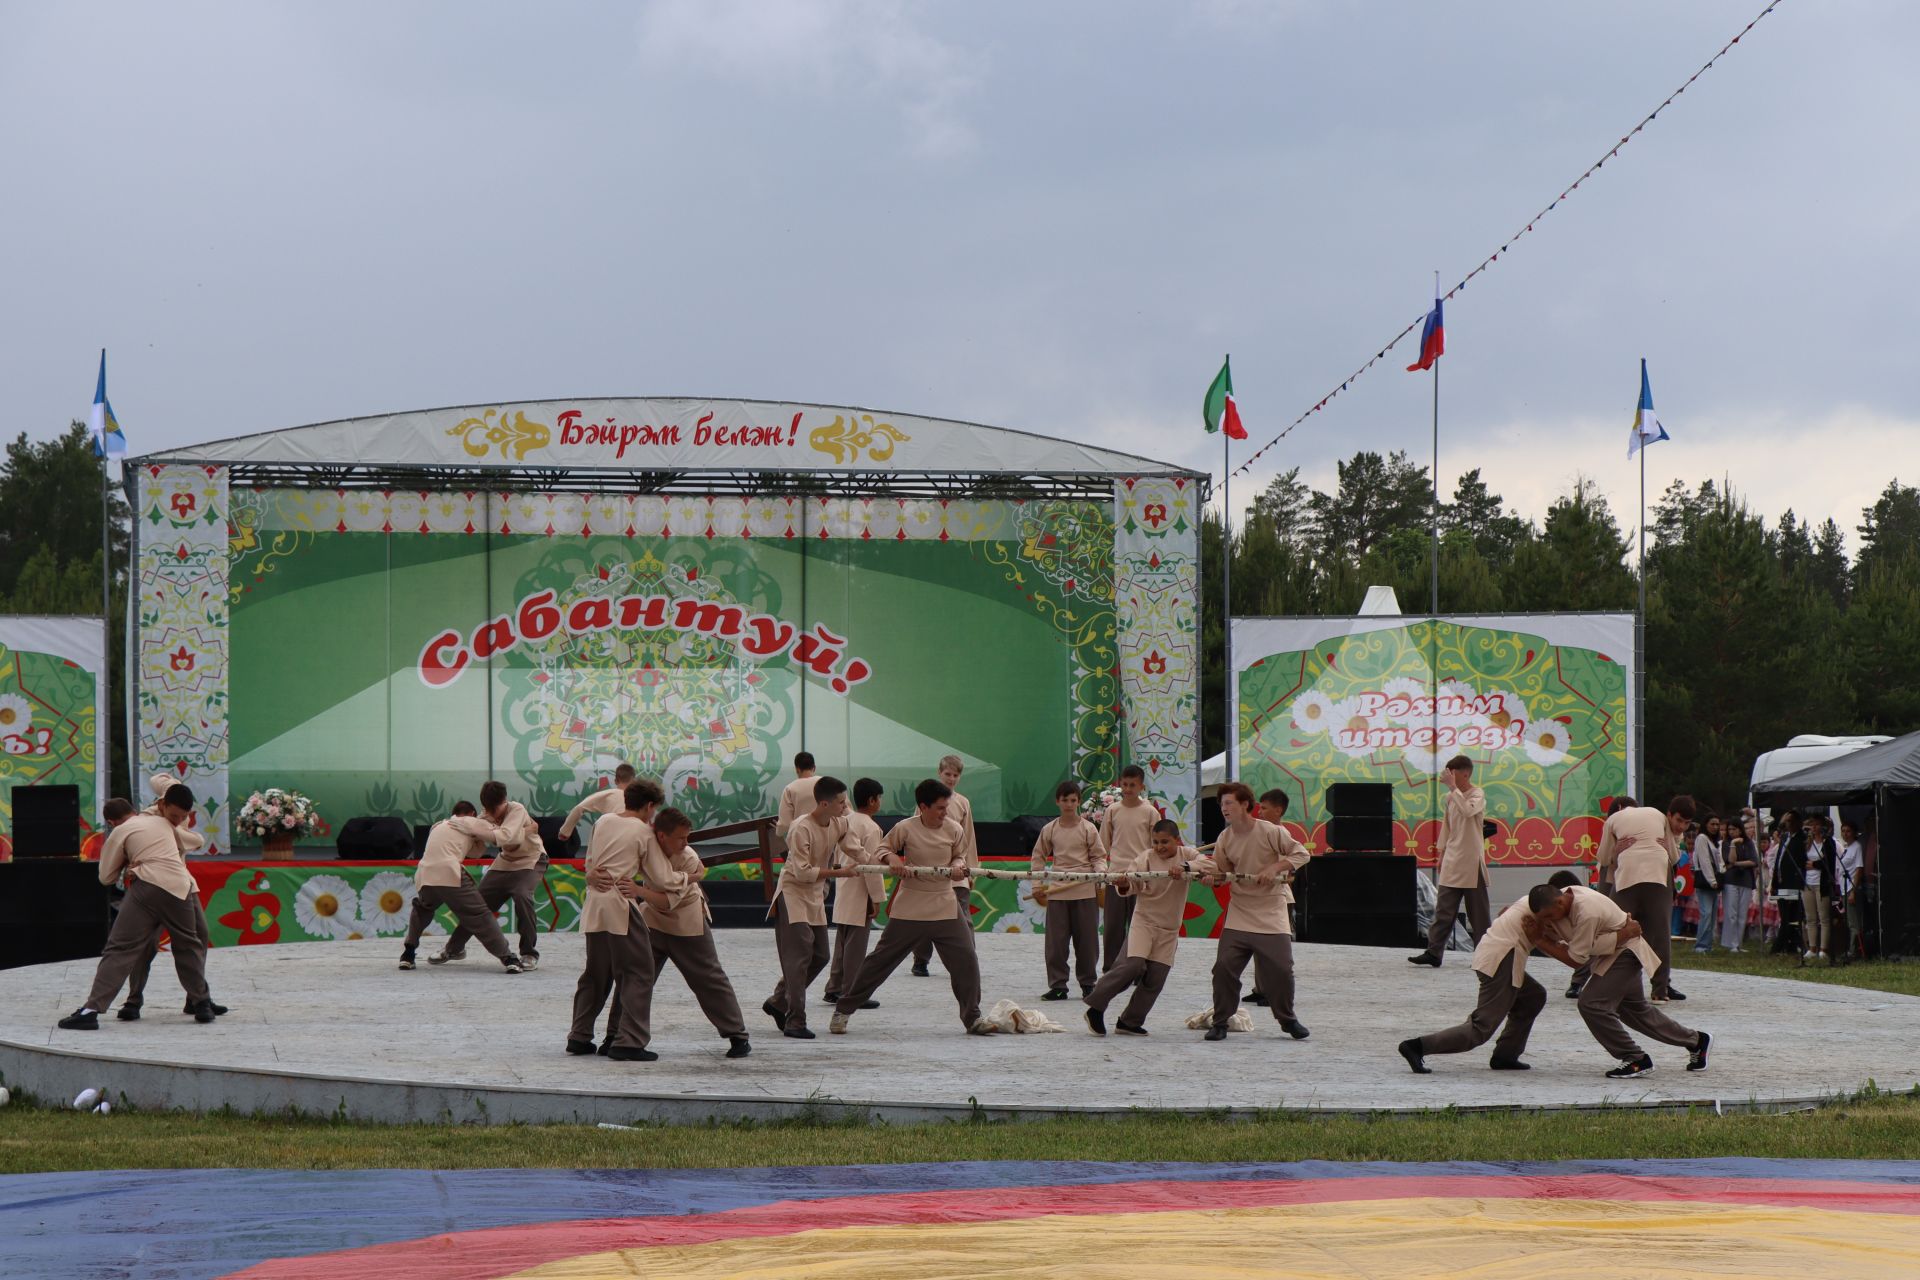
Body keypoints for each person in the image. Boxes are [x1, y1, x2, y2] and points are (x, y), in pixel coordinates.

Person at [831, 778, 990, 1036]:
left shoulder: (953, 829)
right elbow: (883, 849)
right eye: (939, 807)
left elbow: (959, 854)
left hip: (944, 904)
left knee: (967, 960)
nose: (945, 812)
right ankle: (843, 1009)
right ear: (923, 807)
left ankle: (972, 1018)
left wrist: (958, 866)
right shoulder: (905, 828)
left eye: (946, 807)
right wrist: (893, 858)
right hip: (910, 905)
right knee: (879, 962)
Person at [59, 793, 218, 1030]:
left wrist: (127, 865)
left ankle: (91, 1011)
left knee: (121, 948)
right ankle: (202, 1004)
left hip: (146, 889)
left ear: (112, 822)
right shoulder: (163, 822)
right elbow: (188, 843)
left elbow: (105, 877)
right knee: (188, 943)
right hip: (179, 885)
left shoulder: (121, 832)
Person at [1526, 883, 1710, 1078]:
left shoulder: (1587, 912)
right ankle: (1696, 1041)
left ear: (1560, 902)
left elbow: (1576, 960)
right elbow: (1585, 945)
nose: (1548, 922)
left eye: (1549, 917)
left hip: (1625, 953)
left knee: (1591, 1004)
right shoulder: (1567, 895)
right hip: (1615, 952)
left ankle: (1636, 1058)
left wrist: (1540, 941)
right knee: (1634, 1011)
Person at [570, 779, 675, 1061]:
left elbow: (591, 864)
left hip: (595, 904)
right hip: (621, 905)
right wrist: (690, 877)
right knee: (640, 972)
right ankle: (628, 1041)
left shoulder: (603, 821)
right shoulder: (644, 831)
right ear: (649, 805)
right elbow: (662, 877)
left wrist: (592, 875)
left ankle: (579, 1036)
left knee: (596, 974)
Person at [1197, 782, 1311, 1042]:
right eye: (1222, 804)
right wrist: (1210, 878)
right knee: (1223, 968)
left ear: (1245, 804)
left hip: (1271, 909)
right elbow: (1223, 874)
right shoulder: (1225, 838)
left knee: (1282, 969)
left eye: (1229, 803)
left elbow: (1301, 854)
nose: (1224, 808)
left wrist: (1276, 868)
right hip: (1240, 911)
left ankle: (1288, 1019)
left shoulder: (1270, 831)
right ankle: (1221, 1021)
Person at [1398, 885, 1552, 1074]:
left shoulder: (1535, 899)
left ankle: (1506, 1054)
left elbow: (1504, 912)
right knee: (1481, 1027)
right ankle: (1417, 1046)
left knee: (1532, 996)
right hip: (1502, 958)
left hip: (1494, 952)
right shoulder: (1554, 907)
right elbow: (1574, 957)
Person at [636, 806, 751, 1059]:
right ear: (662, 836)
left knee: (708, 977)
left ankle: (737, 1035)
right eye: (681, 837)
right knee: (636, 979)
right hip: (653, 920)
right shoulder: (647, 846)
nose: (685, 842)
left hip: (687, 922)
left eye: (688, 837)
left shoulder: (688, 857)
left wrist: (637, 891)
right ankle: (622, 1037)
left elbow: (668, 900)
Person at [118, 774, 223, 1022]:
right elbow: (194, 840)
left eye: (183, 817)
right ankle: (133, 1000)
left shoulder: (175, 810)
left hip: (181, 883)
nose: (179, 821)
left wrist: (173, 787)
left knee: (199, 934)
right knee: (145, 943)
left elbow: (158, 779)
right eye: (174, 816)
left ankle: (197, 997)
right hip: (151, 884)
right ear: (162, 805)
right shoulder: (147, 820)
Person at [764, 776, 857, 1039]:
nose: (845, 806)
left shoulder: (839, 822)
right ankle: (795, 1020)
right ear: (824, 803)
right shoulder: (800, 827)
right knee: (799, 958)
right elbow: (803, 872)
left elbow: (852, 847)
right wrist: (843, 873)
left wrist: (877, 859)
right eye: (841, 802)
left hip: (814, 894)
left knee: (820, 955)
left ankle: (778, 1001)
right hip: (793, 893)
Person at [1083, 819, 1189, 1036]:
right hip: (1145, 922)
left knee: (1156, 978)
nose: (1159, 847)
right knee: (1132, 966)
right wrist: (1125, 884)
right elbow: (1133, 882)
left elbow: (1212, 865)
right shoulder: (1146, 858)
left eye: (1165, 842)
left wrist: (1188, 868)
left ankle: (1129, 1021)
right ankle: (1095, 1006)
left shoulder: (1188, 855)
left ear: (1177, 840)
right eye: (1156, 842)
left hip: (1169, 929)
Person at [398, 801, 525, 973]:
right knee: (479, 914)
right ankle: (508, 958)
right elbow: (500, 837)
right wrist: (487, 820)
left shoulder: (439, 825)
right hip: (449, 872)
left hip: (424, 873)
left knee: (422, 909)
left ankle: (408, 954)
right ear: (472, 813)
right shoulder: (474, 821)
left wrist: (476, 838)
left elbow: (474, 853)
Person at [440, 780, 548, 969]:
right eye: (488, 809)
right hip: (505, 861)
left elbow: (506, 837)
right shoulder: (485, 816)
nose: (491, 813)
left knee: (522, 895)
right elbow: (479, 842)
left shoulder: (517, 809)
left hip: (531, 859)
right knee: (476, 902)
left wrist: (482, 830)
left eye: (495, 809)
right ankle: (454, 948)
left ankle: (529, 953)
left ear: (504, 801)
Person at [1595, 794, 1689, 1002]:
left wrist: (1617, 849)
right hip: (1658, 877)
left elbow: (1602, 858)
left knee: (1615, 928)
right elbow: (1673, 856)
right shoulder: (1656, 814)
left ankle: (1605, 985)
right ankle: (1660, 990)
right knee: (1660, 934)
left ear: (1618, 809)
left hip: (1627, 877)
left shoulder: (1612, 820)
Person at [1409, 755, 1490, 967]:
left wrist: (1454, 789)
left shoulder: (1477, 794)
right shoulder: (1450, 798)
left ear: (1465, 773)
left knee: (1479, 915)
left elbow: (1468, 810)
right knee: (1443, 910)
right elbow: (1447, 827)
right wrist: (1442, 853)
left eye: (1453, 774)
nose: (1449, 779)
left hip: (1472, 862)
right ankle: (1434, 952)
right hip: (1453, 860)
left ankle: (1487, 955)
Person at [1031, 778, 1106, 1000]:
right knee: (1056, 944)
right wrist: (1037, 884)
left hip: (1085, 890)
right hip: (1058, 892)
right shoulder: (1049, 829)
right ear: (1057, 802)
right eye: (1065, 800)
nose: (1069, 804)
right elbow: (1038, 857)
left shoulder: (1089, 828)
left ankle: (1088, 983)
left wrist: (1100, 873)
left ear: (1079, 802)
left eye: (1073, 800)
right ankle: (1058, 986)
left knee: (1088, 943)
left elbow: (1099, 856)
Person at [912, 754, 979, 976]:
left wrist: (971, 869)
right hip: (929, 867)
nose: (951, 779)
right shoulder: (925, 800)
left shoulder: (963, 803)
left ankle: (968, 958)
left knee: (962, 915)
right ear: (939, 773)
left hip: (957, 868)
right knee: (923, 915)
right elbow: (914, 832)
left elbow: (968, 838)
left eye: (955, 775)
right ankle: (920, 960)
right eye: (947, 774)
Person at [825, 777, 888, 1008]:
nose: (880, 802)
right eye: (879, 798)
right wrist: (877, 898)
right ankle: (851, 991)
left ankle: (834, 987)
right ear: (872, 800)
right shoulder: (871, 827)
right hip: (861, 887)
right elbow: (872, 867)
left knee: (843, 941)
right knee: (856, 944)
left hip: (844, 884)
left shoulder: (845, 820)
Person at [1098, 764, 1157, 972]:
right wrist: (1102, 869)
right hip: (1115, 875)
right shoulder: (1112, 810)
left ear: (1141, 786)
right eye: (1125, 784)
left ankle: (1137, 968)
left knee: (1138, 925)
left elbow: (1155, 847)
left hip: (1140, 876)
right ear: (1119, 785)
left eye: (1133, 785)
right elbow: (1103, 844)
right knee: (1113, 925)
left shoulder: (1150, 812)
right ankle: (1111, 967)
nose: (1129, 788)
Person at [1245, 788, 1294, 1006]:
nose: (1260, 812)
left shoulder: (1281, 835)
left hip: (1279, 896)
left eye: (1264, 808)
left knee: (1272, 949)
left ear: (1278, 810)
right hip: (1261, 895)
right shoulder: (1262, 833)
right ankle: (1261, 987)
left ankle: (1273, 991)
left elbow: (1288, 869)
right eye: (1259, 808)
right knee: (1257, 944)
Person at [556, 763, 638, 840]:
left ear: (615, 781)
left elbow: (579, 808)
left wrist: (565, 832)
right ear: (634, 780)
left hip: (609, 837)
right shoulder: (641, 798)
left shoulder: (606, 795)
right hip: (633, 835)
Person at [1799, 814, 1838, 963]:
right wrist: (1812, 863)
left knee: (1824, 918)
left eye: (1817, 825)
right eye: (1812, 825)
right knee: (1810, 917)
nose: (1814, 828)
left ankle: (1823, 949)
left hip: (1821, 884)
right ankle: (1812, 947)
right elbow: (1802, 860)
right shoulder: (1807, 843)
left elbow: (1829, 864)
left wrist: (1814, 864)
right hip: (1807, 883)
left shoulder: (1828, 843)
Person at [1719, 816, 1759, 952]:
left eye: (1734, 829)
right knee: (1731, 913)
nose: (1731, 832)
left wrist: (1735, 864)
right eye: (1729, 829)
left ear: (1740, 829)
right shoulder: (1726, 844)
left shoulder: (1748, 843)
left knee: (1742, 914)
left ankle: (1738, 943)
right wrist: (1733, 843)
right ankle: (1731, 943)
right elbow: (1729, 859)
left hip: (1746, 881)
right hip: (1731, 881)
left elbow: (1754, 861)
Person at [1691, 815, 1724, 954]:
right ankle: (1701, 945)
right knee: (1706, 913)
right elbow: (1704, 861)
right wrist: (1712, 880)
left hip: (1713, 880)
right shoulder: (1702, 838)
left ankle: (1707, 945)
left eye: (1717, 824)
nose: (1715, 827)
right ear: (1706, 824)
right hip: (1706, 881)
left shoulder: (1714, 841)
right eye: (1712, 824)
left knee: (1711, 915)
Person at [1837, 820, 1866, 964]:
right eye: (1843, 831)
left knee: (1854, 922)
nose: (1845, 834)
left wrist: (1853, 891)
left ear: (1854, 833)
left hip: (1851, 888)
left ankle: (1853, 951)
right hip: (1844, 888)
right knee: (1848, 921)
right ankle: (1849, 949)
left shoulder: (1857, 847)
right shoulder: (1846, 848)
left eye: (1848, 831)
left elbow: (1859, 869)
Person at [774, 752, 818, 840]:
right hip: (826, 839)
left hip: (801, 839)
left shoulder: (790, 789)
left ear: (797, 769)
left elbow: (785, 823)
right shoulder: (825, 783)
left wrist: (778, 831)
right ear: (814, 767)